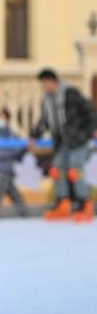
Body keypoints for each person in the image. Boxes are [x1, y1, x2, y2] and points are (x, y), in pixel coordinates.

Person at [31, 68, 97, 223]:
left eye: (46, 83)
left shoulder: (70, 94)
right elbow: (45, 121)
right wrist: (34, 135)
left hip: (79, 138)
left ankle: (85, 205)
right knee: (57, 169)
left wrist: (94, 128)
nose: (44, 87)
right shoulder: (47, 100)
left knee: (74, 169)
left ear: (53, 81)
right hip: (63, 141)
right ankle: (63, 204)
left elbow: (89, 110)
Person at [0, 108, 27, 216]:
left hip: (4, 170)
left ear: (7, 119)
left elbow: (18, 152)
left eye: (2, 117)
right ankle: (24, 213)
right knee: (13, 193)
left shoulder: (11, 135)